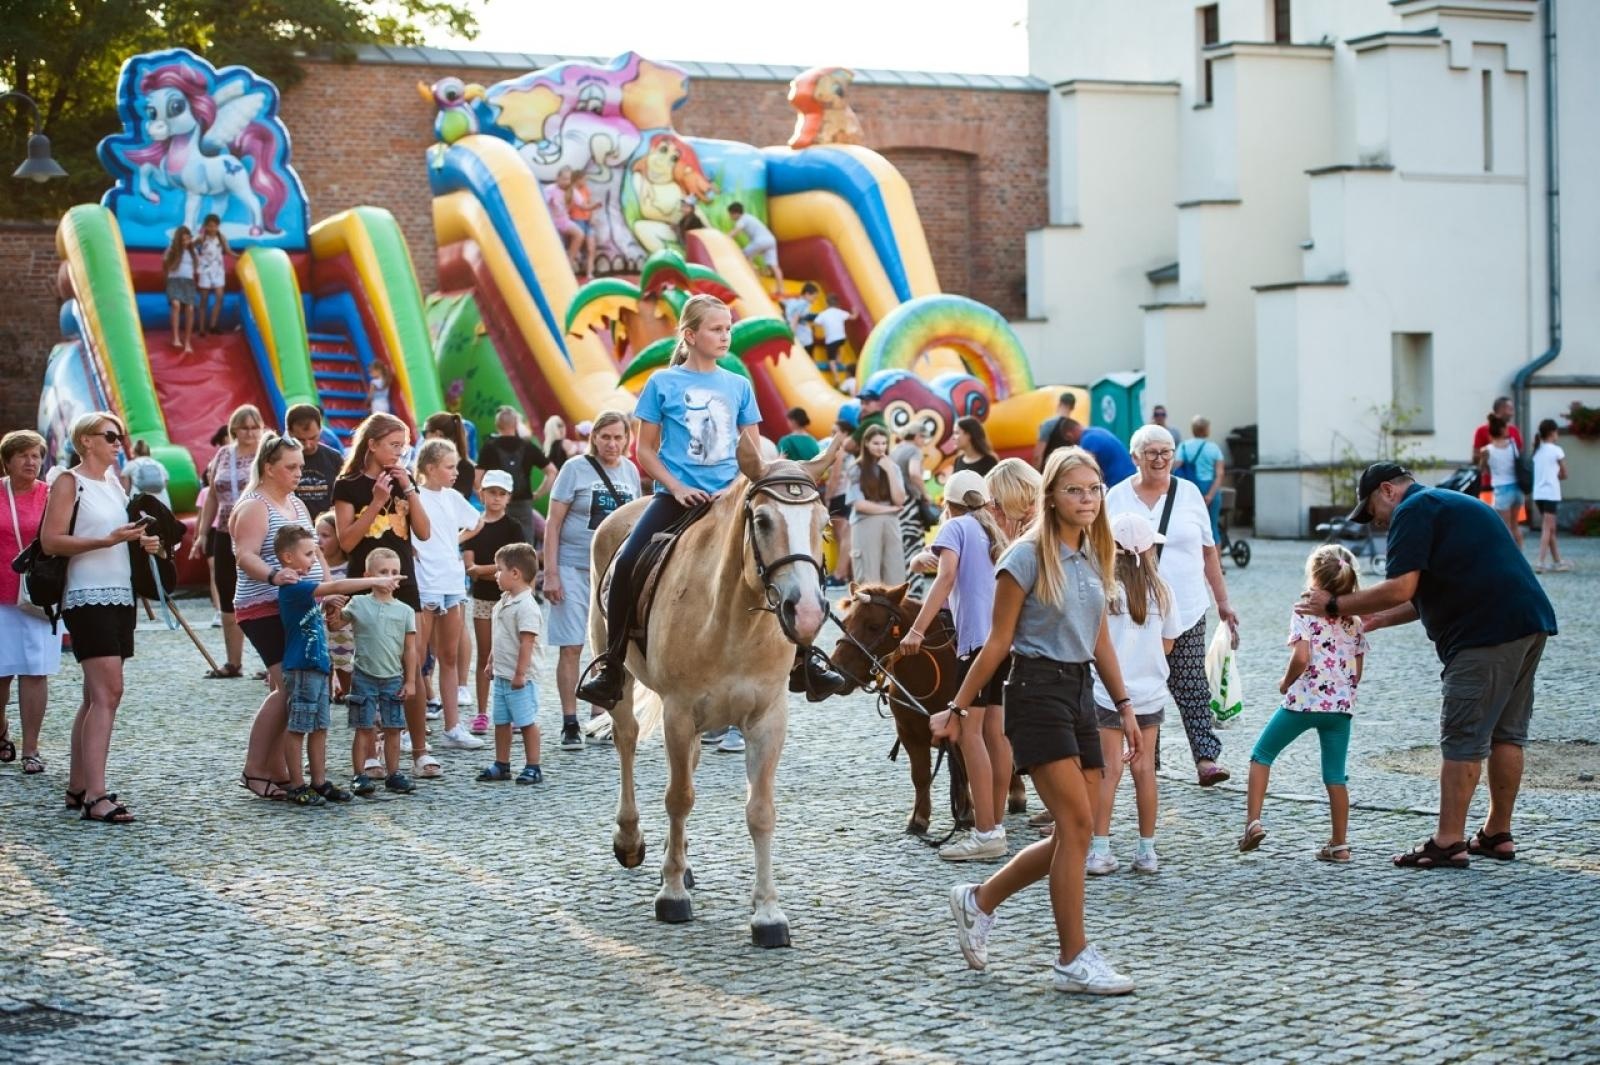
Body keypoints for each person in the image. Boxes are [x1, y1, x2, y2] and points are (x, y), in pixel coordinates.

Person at [938, 446, 1142, 995]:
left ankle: (978, 900)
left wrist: (1124, 706)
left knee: (1076, 833)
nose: (1087, 499)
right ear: (1050, 496)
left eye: (1094, 489)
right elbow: (996, 642)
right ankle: (1072, 959)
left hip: (1080, 692)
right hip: (1034, 691)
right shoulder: (1024, 557)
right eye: (1075, 490)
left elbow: (1099, 639)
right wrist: (958, 707)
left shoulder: (1095, 553)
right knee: (1074, 824)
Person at [576, 294, 846, 708]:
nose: (725, 336)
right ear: (690, 335)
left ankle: (805, 659)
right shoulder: (661, 384)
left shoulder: (738, 385)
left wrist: (735, 487)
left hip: (730, 498)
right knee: (627, 562)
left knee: (792, 558)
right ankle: (612, 665)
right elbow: (645, 450)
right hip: (676, 499)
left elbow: (753, 454)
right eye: (716, 329)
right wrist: (676, 487)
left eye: (728, 329)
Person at [1300, 463, 1557, 869]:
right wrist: (1378, 618)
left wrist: (1333, 604)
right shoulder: (1455, 503)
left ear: (1387, 490)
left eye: (1373, 511)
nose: (1377, 522)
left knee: (1463, 737)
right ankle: (1496, 834)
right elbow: (1428, 593)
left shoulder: (1412, 511)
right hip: (1528, 622)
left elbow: (1400, 587)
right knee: (1507, 733)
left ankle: (1448, 841)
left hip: (1484, 633)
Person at [41, 412, 163, 824]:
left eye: (120, 437)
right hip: (86, 595)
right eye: (110, 436)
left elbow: (116, 539)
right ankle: (96, 795)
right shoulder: (68, 481)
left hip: (119, 595)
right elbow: (51, 540)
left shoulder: (113, 482)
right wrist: (107, 540)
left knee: (96, 696)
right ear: (86, 440)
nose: (117, 443)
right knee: (109, 692)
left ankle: (79, 786)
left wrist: (141, 542)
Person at [1106, 424, 1239, 786]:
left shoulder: (1190, 493)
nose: (1160, 459)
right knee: (1139, 682)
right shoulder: (1116, 497)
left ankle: (1206, 758)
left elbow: (1209, 551)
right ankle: (1148, 758)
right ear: (1135, 457)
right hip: (1134, 609)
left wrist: (1223, 602)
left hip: (1187, 604)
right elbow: (1101, 551)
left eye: (1166, 452)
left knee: (1191, 681)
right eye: (1151, 452)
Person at [903, 469, 1012, 861]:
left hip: (975, 644)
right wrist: (923, 559)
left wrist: (917, 629)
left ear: (946, 504)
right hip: (1004, 643)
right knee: (996, 735)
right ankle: (994, 823)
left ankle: (985, 833)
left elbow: (945, 575)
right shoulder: (991, 531)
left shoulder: (954, 527)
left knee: (969, 734)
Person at [1242, 544, 1367, 861]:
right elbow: (1357, 671)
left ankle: (1253, 824)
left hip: (1302, 702)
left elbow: (1301, 656)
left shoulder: (1303, 611)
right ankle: (1340, 845)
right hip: (1339, 709)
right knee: (1335, 775)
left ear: (1314, 578)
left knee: (1262, 755)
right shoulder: (1354, 620)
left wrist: (1285, 683)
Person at [333, 413, 439, 779]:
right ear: (373, 444)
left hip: (403, 582)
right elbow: (347, 542)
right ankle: (372, 749)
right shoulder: (347, 485)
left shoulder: (404, 481)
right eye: (394, 445)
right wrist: (377, 502)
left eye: (403, 446)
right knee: (367, 666)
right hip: (364, 583)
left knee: (413, 664)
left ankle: (420, 749)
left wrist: (408, 488)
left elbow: (423, 532)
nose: (399, 452)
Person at [273, 524, 404, 806]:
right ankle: (297, 785)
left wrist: (324, 604)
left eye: (315, 554)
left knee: (320, 727)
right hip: (302, 668)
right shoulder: (293, 587)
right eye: (309, 554)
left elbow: (312, 612)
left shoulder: (304, 591)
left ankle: (319, 782)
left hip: (318, 667)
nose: (314, 559)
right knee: (298, 728)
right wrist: (375, 581)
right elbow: (335, 585)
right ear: (288, 557)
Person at [1088, 512, 1182, 876]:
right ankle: (1147, 851)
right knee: (1145, 771)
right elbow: (1169, 643)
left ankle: (1100, 850)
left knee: (1108, 770)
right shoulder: (1162, 591)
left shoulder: (1102, 590)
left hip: (1107, 692)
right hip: (1150, 693)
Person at [230, 432, 319, 800]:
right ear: (268, 467)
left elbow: (315, 551)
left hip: (299, 606)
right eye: (290, 467)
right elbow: (244, 554)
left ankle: (279, 768)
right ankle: (254, 769)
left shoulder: (296, 504)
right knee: (288, 686)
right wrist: (273, 575)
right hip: (262, 606)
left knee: (290, 688)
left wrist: (328, 589)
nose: (299, 473)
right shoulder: (255, 506)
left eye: (301, 466)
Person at [544, 411, 639, 749]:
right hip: (574, 566)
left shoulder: (630, 471)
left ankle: (600, 716)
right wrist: (551, 573)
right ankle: (569, 721)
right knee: (572, 645)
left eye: (618, 437)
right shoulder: (574, 469)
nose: (612, 443)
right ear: (594, 438)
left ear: (627, 439)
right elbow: (553, 523)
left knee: (609, 647)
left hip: (614, 572)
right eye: (606, 437)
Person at [410, 439, 485, 752]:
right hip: (425, 582)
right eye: (449, 467)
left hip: (452, 582)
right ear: (430, 468)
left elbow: (477, 521)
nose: (456, 472)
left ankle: (453, 726)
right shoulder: (414, 496)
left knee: (449, 656)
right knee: (416, 657)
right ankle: (410, 727)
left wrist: (454, 541)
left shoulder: (453, 497)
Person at [0, 430, 62, 777]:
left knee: (35, 670)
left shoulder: (51, 495)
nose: (31, 461)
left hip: (40, 595)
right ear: (7, 462)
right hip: (0, 594)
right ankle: (1, 729)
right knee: (0, 674)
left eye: (36, 455)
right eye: (23, 455)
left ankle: (31, 749)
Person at [189, 404, 263, 679]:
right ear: (234, 430)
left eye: (255, 427)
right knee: (228, 593)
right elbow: (212, 496)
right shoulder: (223, 454)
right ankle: (234, 662)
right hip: (224, 532)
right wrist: (202, 533)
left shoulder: (266, 453)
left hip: (257, 531)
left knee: (263, 592)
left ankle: (271, 663)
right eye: (244, 428)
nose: (250, 433)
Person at [342, 547, 419, 796]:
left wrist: (410, 680)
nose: (389, 577)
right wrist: (331, 607)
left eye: (395, 572)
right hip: (363, 675)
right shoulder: (358, 603)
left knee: (394, 727)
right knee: (364, 727)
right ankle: (359, 775)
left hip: (393, 677)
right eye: (383, 572)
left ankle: (394, 774)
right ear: (368, 576)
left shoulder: (405, 610)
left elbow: (410, 649)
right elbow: (336, 623)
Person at [462, 471, 526, 734]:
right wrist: (498, 570)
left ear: (508, 497)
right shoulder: (474, 525)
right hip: (483, 599)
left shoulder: (514, 527)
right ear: (482, 494)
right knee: (485, 654)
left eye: (502, 494)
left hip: (510, 599)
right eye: (492, 493)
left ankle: (514, 711)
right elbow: (470, 568)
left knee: (512, 654)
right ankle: (481, 712)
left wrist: (484, 570)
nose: (496, 498)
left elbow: (518, 566)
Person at [476, 542, 545, 784]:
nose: (495, 574)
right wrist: (491, 661)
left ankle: (533, 765)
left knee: (526, 721)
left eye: (499, 569)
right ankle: (502, 763)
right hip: (503, 675)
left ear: (515, 573)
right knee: (501, 721)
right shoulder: (503, 601)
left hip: (521, 678)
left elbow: (527, 642)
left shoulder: (526, 606)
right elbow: (500, 636)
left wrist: (520, 674)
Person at [476, 406, 556, 543]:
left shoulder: (489, 447)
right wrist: (538, 494)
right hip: (523, 503)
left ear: (497, 425)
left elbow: (477, 478)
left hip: (497, 504)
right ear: (516, 424)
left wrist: (484, 498)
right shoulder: (528, 446)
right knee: (525, 546)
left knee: (498, 544)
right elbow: (552, 471)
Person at [847, 425, 908, 586]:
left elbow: (899, 500)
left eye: (883, 443)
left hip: (891, 523)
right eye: (876, 443)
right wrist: (889, 509)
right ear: (866, 443)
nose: (880, 447)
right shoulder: (856, 469)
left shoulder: (893, 467)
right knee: (868, 575)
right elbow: (860, 505)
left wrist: (890, 471)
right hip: (865, 523)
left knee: (895, 573)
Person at [315, 512, 356, 703]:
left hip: (345, 635)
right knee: (324, 674)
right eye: (316, 534)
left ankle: (351, 701)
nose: (318, 540)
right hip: (320, 632)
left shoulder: (351, 569)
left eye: (325, 535)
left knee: (347, 673)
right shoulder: (312, 569)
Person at [285, 405, 343, 518]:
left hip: (328, 524)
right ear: (289, 433)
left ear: (321, 430)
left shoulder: (334, 458)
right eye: (301, 440)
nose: (308, 445)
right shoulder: (281, 460)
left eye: (313, 438)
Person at [1174, 417, 1226, 541]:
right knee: (1212, 528)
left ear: (1193, 429)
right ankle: (1216, 554)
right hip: (1210, 487)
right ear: (1207, 430)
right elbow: (1220, 474)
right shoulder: (1214, 448)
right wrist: (1210, 495)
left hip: (1190, 489)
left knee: (1190, 526)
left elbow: (1175, 466)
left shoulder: (1184, 446)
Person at [891, 426, 929, 588]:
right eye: (924, 437)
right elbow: (914, 473)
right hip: (909, 504)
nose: (924, 442)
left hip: (895, 503)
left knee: (901, 547)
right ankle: (914, 588)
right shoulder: (914, 450)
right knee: (913, 546)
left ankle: (901, 585)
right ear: (917, 436)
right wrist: (925, 494)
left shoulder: (895, 450)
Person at [1531, 419, 1571, 573]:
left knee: (1551, 528)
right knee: (1547, 528)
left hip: (1538, 494)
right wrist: (1557, 476)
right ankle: (1540, 562)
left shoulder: (1537, 450)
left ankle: (1557, 561)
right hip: (1551, 494)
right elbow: (1564, 473)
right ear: (1552, 432)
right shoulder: (1556, 450)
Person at [1479, 414, 1524, 548]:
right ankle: (1520, 555)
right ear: (1502, 429)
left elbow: (1482, 469)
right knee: (1515, 525)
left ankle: (1509, 556)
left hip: (1502, 489)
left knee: (1505, 527)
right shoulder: (1513, 445)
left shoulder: (1487, 450)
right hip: (1517, 488)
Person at [726, 201, 783, 290]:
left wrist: (725, 237)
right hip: (771, 240)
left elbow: (736, 231)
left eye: (730, 214)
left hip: (761, 241)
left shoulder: (742, 219)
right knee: (774, 266)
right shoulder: (749, 217)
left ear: (735, 213)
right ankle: (780, 289)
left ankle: (756, 281)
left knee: (744, 256)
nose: (730, 217)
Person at [1472, 395, 1523, 491]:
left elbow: (1519, 457)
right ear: (1501, 409)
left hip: (1514, 485)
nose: (1512, 413)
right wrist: (1487, 463)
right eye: (1510, 409)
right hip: (1489, 485)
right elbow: (1475, 457)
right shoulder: (1482, 431)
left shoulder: (1514, 431)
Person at [194, 213, 232, 336]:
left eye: (215, 226)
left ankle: (213, 325)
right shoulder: (201, 238)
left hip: (218, 270)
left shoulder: (221, 237)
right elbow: (192, 247)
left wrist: (239, 256)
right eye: (210, 226)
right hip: (205, 271)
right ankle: (201, 328)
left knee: (219, 297)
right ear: (205, 226)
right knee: (204, 299)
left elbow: (228, 251)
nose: (212, 228)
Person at [163, 225, 198, 353]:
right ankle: (176, 338)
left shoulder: (193, 252)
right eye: (183, 240)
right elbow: (165, 264)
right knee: (176, 305)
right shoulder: (172, 250)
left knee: (190, 308)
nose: (185, 242)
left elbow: (195, 268)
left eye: (187, 239)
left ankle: (187, 341)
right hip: (174, 281)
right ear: (178, 240)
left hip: (188, 282)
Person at [545, 167, 586, 273]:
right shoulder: (550, 189)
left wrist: (594, 206)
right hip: (551, 223)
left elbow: (582, 204)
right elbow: (543, 204)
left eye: (568, 179)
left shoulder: (571, 191)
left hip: (563, 221)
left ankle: (570, 261)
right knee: (557, 244)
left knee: (579, 234)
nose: (566, 182)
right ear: (557, 178)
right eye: (564, 179)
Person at [813, 294, 856, 380]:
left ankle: (836, 378)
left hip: (831, 340)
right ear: (837, 304)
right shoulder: (840, 312)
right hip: (842, 338)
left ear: (827, 304)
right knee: (837, 345)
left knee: (831, 360)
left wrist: (817, 330)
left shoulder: (823, 314)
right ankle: (839, 361)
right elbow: (853, 317)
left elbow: (815, 323)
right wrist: (855, 311)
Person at [119, 438, 170, 508]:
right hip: (163, 503)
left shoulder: (132, 464)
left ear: (134, 452)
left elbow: (124, 480)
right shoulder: (158, 464)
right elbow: (166, 481)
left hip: (141, 502)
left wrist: (126, 499)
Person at [1033, 392, 1079, 469]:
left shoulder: (1048, 425)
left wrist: (1035, 473)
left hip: (1049, 469)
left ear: (1059, 404)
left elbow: (1037, 456)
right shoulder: (1075, 428)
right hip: (1066, 470)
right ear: (1073, 407)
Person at [568, 172, 599, 279]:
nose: (585, 181)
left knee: (591, 248)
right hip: (577, 220)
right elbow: (578, 206)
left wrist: (592, 216)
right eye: (584, 179)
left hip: (587, 220)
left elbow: (590, 203)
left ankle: (590, 273)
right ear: (577, 180)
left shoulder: (585, 189)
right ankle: (570, 269)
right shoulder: (571, 191)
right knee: (575, 247)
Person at [780, 284, 820, 360]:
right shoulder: (804, 304)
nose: (814, 301)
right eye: (814, 297)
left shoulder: (793, 301)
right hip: (804, 340)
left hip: (799, 336)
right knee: (809, 360)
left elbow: (782, 300)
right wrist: (791, 334)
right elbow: (796, 318)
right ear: (807, 294)